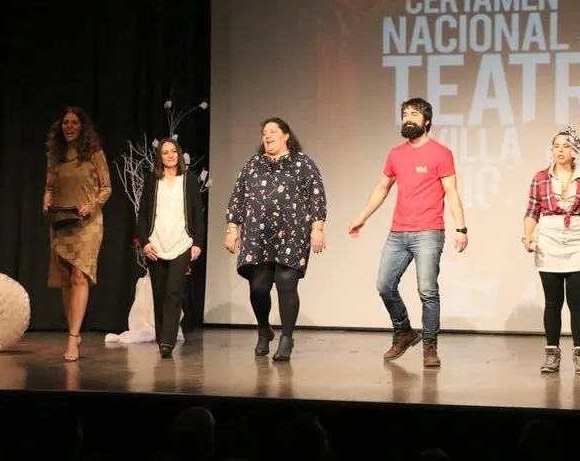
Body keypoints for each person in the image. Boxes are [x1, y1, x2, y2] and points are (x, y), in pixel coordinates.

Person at [348, 97, 468, 368]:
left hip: (428, 231)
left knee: (427, 290)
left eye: (413, 114)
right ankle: (403, 331)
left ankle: (429, 346)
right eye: (404, 114)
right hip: (398, 233)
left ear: (426, 121)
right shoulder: (396, 153)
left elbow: (451, 192)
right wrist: (361, 218)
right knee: (384, 285)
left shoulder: (440, 153)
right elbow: (382, 188)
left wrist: (461, 228)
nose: (407, 119)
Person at [224, 117, 327, 361]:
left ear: (286, 135)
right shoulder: (254, 164)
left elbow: (316, 196)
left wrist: (317, 228)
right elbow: (238, 195)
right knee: (259, 287)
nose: (267, 136)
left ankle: (287, 339)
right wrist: (232, 228)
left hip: (293, 234)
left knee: (285, 283)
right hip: (257, 235)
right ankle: (264, 329)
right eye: (264, 132)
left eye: (272, 131)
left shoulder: (302, 163)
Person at [522, 125, 580, 374]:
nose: (560, 150)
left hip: (578, 234)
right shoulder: (540, 177)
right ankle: (552, 355)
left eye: (565, 146)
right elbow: (532, 211)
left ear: (575, 150)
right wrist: (527, 235)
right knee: (553, 302)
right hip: (549, 234)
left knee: (577, 301)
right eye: (556, 146)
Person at [43, 106, 112, 362]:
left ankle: (73, 338)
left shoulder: (94, 154)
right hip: (61, 220)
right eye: (65, 123)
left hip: (88, 222)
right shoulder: (56, 156)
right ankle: (74, 327)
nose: (69, 126)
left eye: (74, 122)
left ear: (82, 127)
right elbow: (49, 187)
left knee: (80, 275)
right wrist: (46, 203)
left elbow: (106, 188)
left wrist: (91, 205)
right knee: (66, 279)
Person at [135, 138, 205, 358]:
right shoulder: (152, 180)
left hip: (182, 243)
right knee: (160, 293)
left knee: (174, 292)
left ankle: (168, 341)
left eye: (173, 151)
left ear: (179, 154)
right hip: (156, 244)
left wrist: (198, 243)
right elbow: (143, 214)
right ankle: (161, 338)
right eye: (165, 153)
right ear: (160, 157)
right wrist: (144, 242)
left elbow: (197, 213)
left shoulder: (189, 179)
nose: (170, 155)